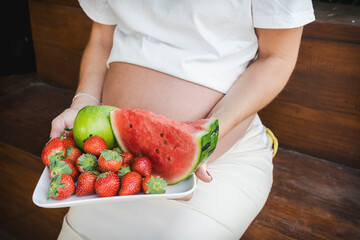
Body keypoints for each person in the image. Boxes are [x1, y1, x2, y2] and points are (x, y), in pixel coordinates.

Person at [52, 0, 315, 239]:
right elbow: (102, 40)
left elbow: (276, 57)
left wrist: (207, 136)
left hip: (215, 167)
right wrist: (82, 103)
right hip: (115, 164)